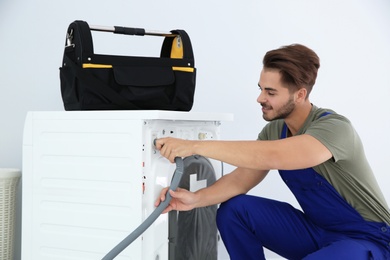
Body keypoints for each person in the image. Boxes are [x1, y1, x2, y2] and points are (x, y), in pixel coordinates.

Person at [155, 44, 390, 259]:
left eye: (271, 92)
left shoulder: (335, 128)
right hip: (318, 232)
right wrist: (196, 199)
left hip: (368, 238)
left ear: (300, 94)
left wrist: (193, 146)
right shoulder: (275, 130)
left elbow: (275, 155)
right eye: (260, 89)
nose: (260, 98)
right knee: (235, 211)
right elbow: (240, 181)